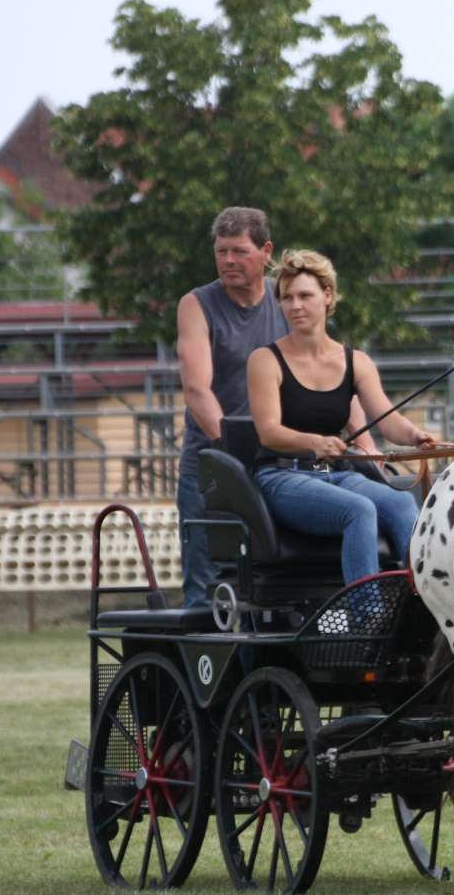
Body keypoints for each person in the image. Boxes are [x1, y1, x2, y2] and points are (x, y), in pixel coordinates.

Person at [247, 249, 432, 589]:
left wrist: (416, 436)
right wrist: (314, 443)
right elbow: (269, 432)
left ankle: (419, 607)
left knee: (402, 502)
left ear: (327, 296)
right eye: (287, 298)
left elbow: (388, 420)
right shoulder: (265, 360)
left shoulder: (355, 361)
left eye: (305, 295)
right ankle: (368, 620)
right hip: (283, 476)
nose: (295, 305)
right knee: (358, 511)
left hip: (339, 475)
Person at [176, 207, 288, 608]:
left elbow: (323, 370)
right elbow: (196, 389)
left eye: (239, 251)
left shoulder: (287, 300)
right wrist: (235, 450)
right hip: (211, 470)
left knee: (273, 587)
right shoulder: (196, 305)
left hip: (276, 466)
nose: (228, 261)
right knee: (208, 595)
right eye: (221, 251)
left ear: (265, 251)